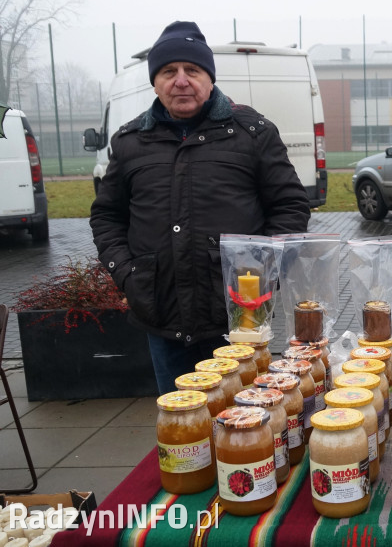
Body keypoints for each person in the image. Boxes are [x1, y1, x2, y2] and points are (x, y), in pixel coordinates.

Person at [91, 21, 310, 393]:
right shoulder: (130, 142)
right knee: (182, 425)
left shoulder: (253, 133)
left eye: (192, 70)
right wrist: (128, 274)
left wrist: (261, 274)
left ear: (209, 79)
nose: (181, 80)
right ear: (155, 82)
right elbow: (107, 217)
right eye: (168, 71)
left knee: (246, 425)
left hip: (238, 317)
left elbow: (290, 208)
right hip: (161, 313)